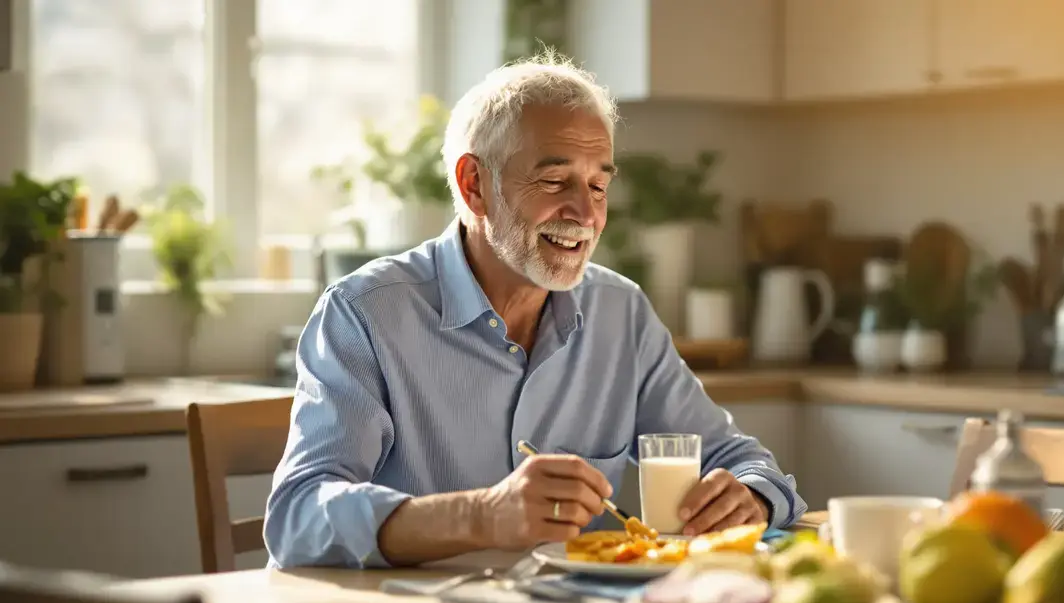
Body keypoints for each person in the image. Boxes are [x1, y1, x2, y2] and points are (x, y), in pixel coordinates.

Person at [264, 52, 806, 569]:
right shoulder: (364, 314)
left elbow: (739, 460)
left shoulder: (620, 313)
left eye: (598, 186)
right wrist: (481, 516)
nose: (585, 214)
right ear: (475, 185)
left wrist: (750, 498)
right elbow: (297, 517)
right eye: (554, 181)